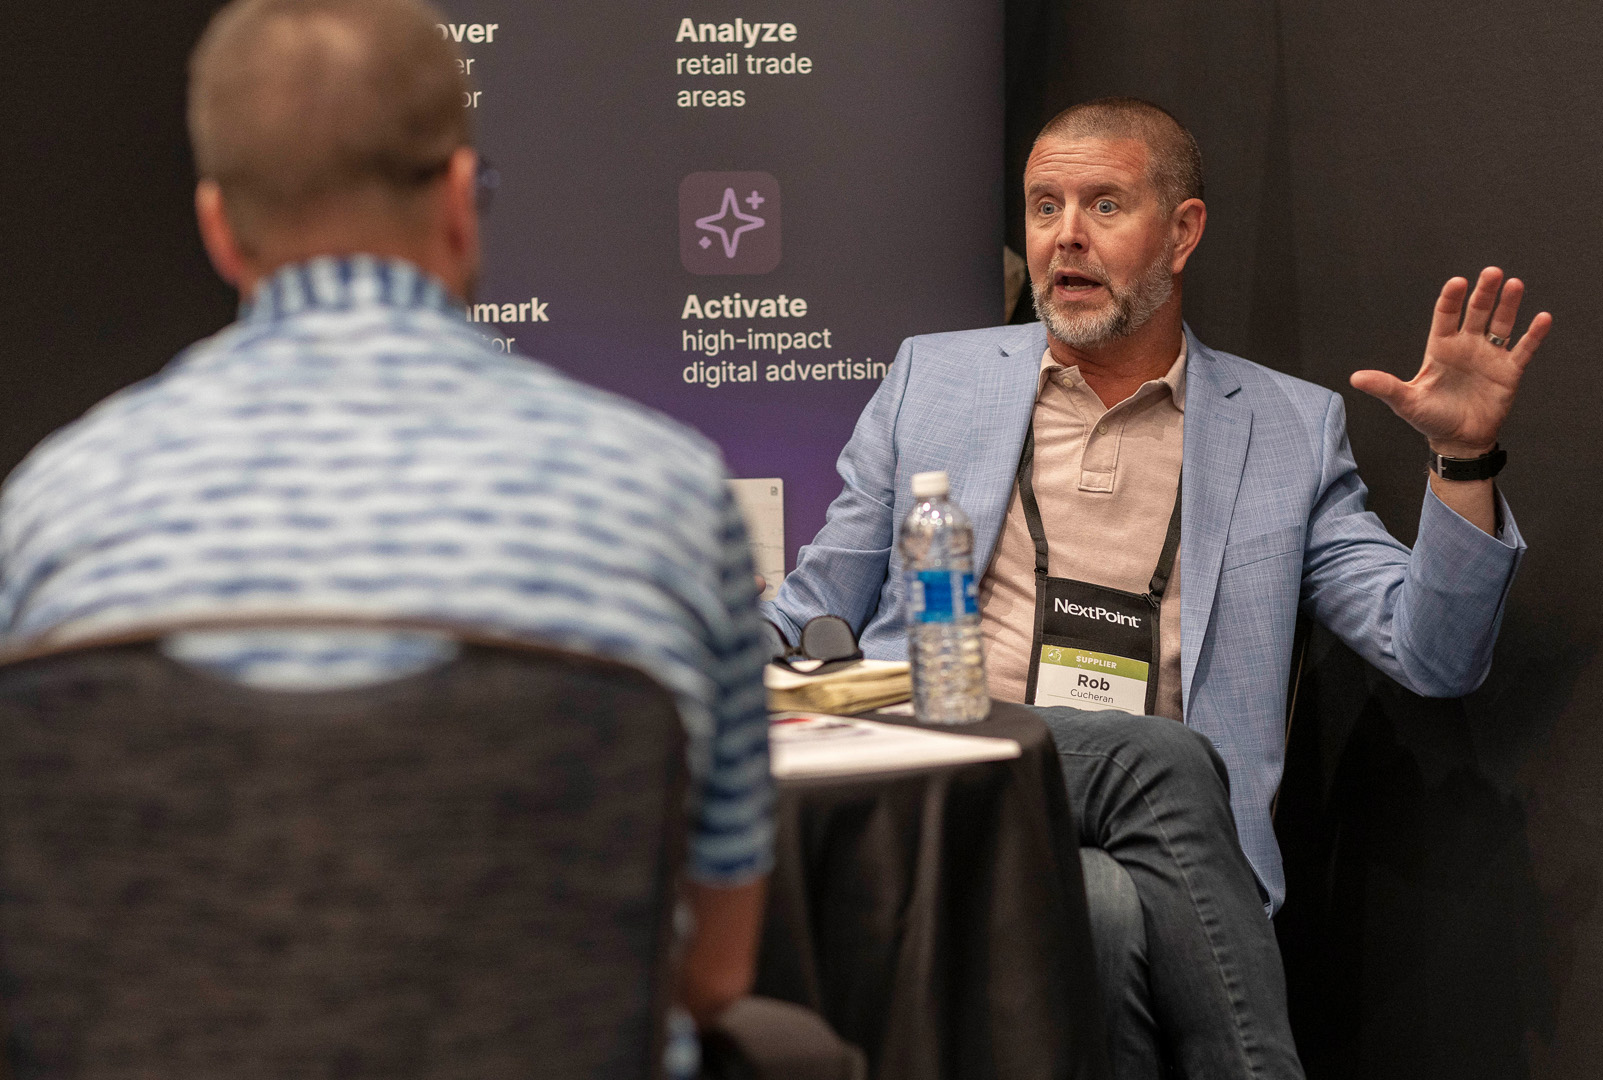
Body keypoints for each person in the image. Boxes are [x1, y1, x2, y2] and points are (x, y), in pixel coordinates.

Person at [0, 1, 773, 1073]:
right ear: (459, 199)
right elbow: (712, 973)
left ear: (218, 225)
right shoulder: (672, 489)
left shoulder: (48, 512)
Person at [765, 97, 1546, 1077]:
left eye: (1103, 204)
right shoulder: (933, 380)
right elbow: (810, 610)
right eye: (1043, 206)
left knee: (1098, 901)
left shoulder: (1285, 428)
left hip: (1172, 855)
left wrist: (1462, 460)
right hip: (952, 787)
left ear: (1182, 231)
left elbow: (1432, 655)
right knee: (1134, 805)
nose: (1065, 237)